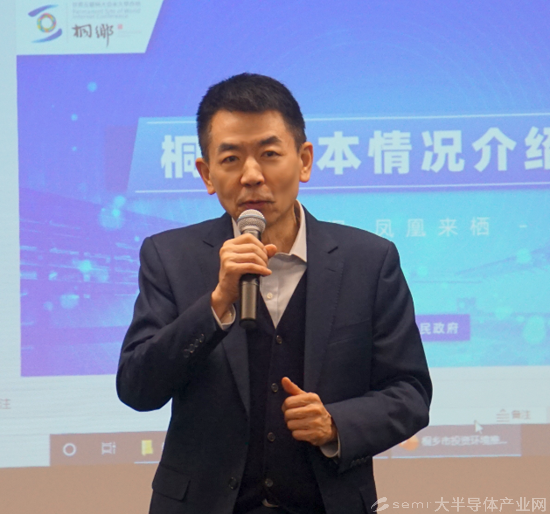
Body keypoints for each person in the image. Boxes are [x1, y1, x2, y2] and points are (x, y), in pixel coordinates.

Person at [117, 73, 432, 514]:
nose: (251, 176)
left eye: (269, 154)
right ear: (207, 174)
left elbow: (410, 392)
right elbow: (137, 388)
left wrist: (336, 424)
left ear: (304, 161)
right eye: (231, 159)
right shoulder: (169, 257)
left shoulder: (369, 260)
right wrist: (217, 303)